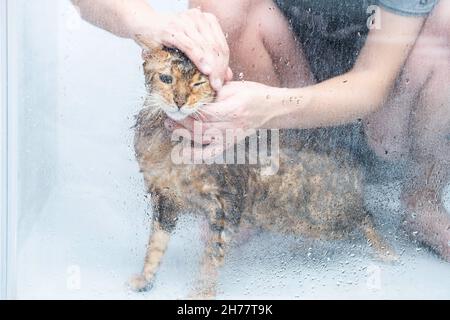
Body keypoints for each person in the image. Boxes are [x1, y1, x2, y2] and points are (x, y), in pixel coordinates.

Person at [72, 0, 450, 261]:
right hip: (284, 87)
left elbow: (372, 83)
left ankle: (423, 197)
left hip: (384, 110)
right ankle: (255, 186)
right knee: (221, 7)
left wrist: (269, 109)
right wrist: (153, 25)